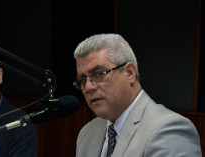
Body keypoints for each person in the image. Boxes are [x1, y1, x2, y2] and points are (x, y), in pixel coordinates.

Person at [73, 34, 202, 157]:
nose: (88, 87)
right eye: (83, 79)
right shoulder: (87, 133)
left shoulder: (169, 130)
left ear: (129, 73)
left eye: (99, 73)